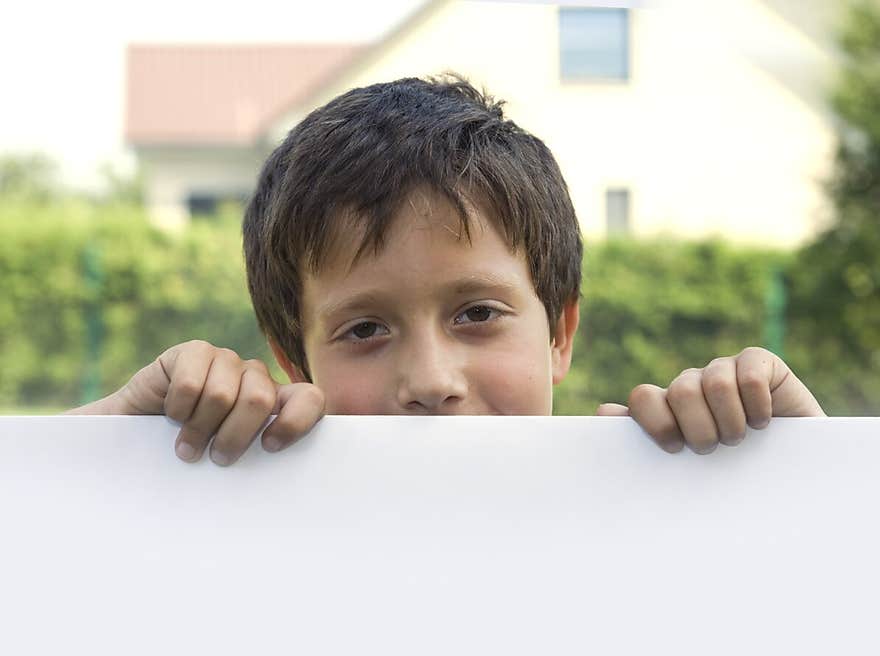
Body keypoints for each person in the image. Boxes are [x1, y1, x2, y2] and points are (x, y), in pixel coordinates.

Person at [67, 74, 826, 462]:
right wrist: (106, 449)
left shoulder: (670, 509)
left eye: (476, 314)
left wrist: (816, 472)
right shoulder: (240, 527)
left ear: (559, 331)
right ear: (292, 363)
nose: (432, 382)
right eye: (364, 328)